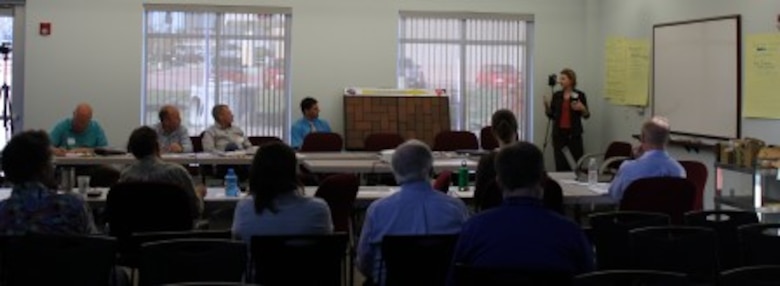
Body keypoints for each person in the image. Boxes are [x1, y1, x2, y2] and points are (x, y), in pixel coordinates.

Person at [450, 142, 594, 281]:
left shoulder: (473, 229)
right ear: (544, 179)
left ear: (498, 183)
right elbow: (590, 279)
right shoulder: (570, 233)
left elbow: (455, 279)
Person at [357, 140, 469, 285]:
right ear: (430, 170)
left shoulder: (377, 211)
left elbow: (364, 264)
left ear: (395, 172)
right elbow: (464, 257)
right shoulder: (456, 208)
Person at [232, 141, 333, 240]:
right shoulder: (318, 209)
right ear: (294, 172)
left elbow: (237, 241)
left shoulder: (245, 208)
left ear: (255, 172)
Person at [0, 130, 95, 235]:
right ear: (44, 169)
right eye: (51, 162)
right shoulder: (74, 207)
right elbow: (96, 246)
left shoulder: (4, 213)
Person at [474, 109, 563, 213]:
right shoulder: (532, 156)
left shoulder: (487, 161)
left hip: (496, 222)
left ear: (493, 132)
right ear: (516, 130)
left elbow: (479, 198)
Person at [118, 126, 205, 219]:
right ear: (157, 147)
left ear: (132, 150)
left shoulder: (126, 176)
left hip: (137, 229)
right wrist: (199, 194)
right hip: (174, 229)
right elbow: (196, 210)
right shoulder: (177, 172)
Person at [608, 116, 686, 201]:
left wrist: (635, 160)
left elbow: (614, 194)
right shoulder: (679, 171)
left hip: (633, 214)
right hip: (666, 214)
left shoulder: (628, 168)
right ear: (667, 140)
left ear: (643, 138)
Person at [544, 68, 590, 171]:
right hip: (559, 136)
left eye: (563, 78)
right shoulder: (557, 96)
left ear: (571, 80)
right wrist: (547, 107)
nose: (560, 81)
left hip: (574, 136)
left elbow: (586, 115)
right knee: (560, 165)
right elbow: (551, 116)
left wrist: (582, 108)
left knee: (575, 166)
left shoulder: (580, 95)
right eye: (560, 78)